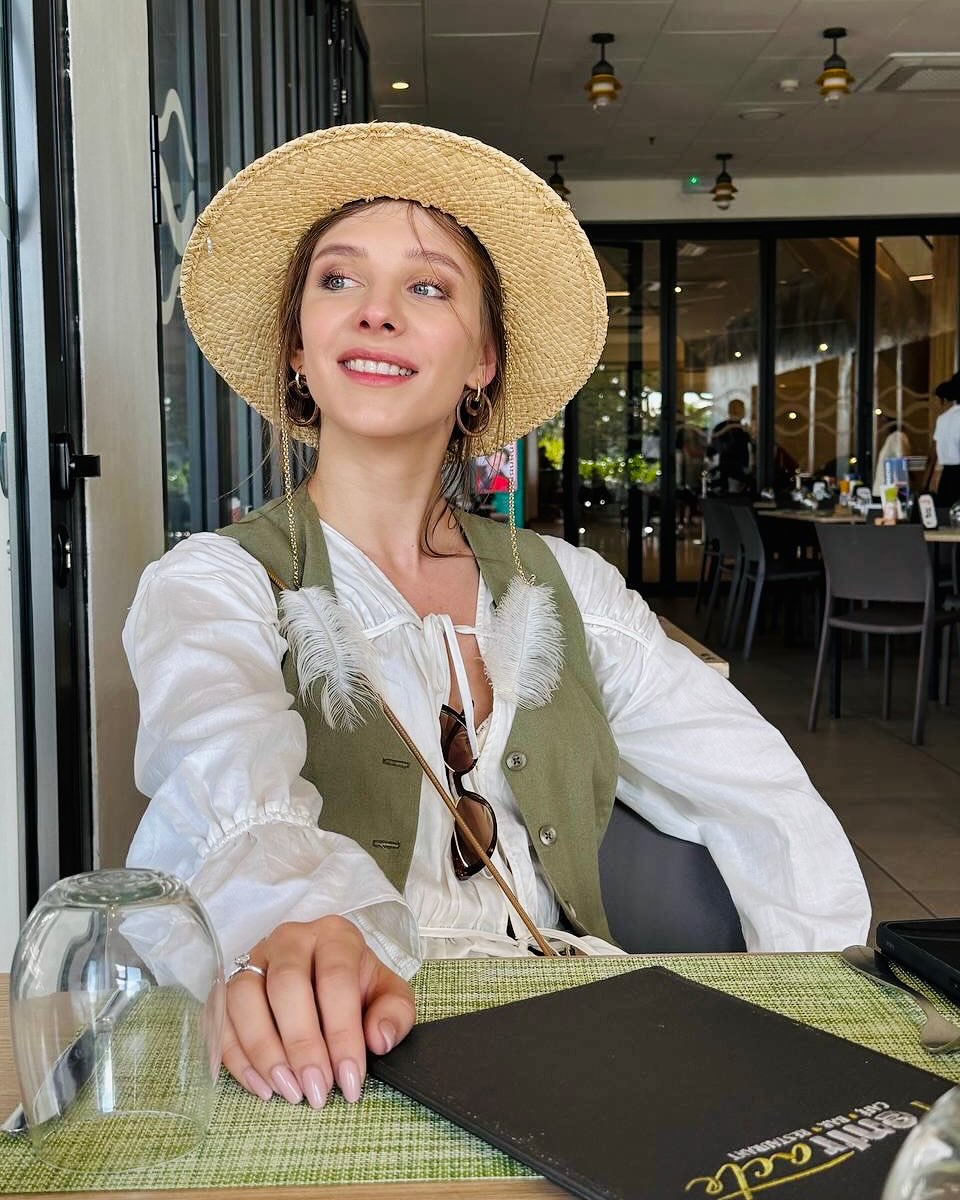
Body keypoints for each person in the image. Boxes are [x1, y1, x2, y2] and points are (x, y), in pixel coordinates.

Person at [123, 123, 870, 1112]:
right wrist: (296, 921)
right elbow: (219, 772)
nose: (377, 311)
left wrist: (822, 1008)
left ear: (482, 359)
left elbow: (755, 790)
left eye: (427, 288)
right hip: (338, 1054)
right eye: (338, 281)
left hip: (575, 1032)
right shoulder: (216, 584)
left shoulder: (567, 586)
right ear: (299, 347)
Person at [928, 372, 960, 508]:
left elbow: (934, 454)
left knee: (945, 517)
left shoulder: (943, 418)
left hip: (945, 478)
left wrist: (929, 482)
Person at [708, 399, 753, 494]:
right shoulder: (723, 428)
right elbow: (714, 450)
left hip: (741, 471)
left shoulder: (744, 428)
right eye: (736, 409)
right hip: (728, 470)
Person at [872, 421, 912, 498]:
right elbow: (901, 458)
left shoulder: (892, 438)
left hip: (884, 488)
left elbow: (900, 458)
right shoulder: (897, 436)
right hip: (888, 487)